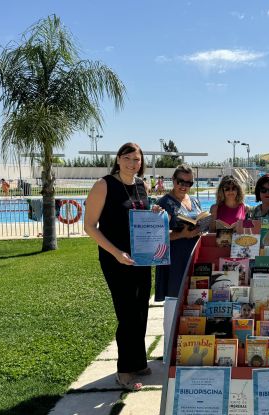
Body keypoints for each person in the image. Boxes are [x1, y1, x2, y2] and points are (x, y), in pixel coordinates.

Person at [84, 142, 156, 391]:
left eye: (136, 159)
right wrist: (116, 253)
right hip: (116, 259)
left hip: (141, 258)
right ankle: (124, 370)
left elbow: (143, 218)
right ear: (118, 159)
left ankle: (138, 362)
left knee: (140, 310)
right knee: (126, 312)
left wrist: (154, 212)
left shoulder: (142, 185)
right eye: (127, 158)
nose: (132, 163)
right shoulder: (104, 185)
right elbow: (90, 226)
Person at [154, 164, 202, 301]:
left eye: (189, 183)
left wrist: (201, 228)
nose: (184, 185)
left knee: (195, 300)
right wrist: (182, 234)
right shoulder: (164, 203)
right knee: (174, 302)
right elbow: (157, 237)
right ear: (173, 180)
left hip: (194, 257)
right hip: (175, 260)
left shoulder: (195, 200)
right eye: (180, 181)